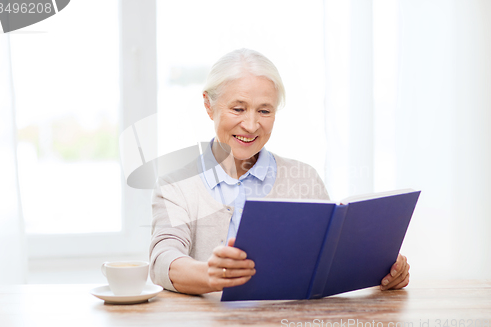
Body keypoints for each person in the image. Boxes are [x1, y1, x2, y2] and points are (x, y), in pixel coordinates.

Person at [149, 48, 410, 295]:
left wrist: (384, 269)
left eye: (264, 111)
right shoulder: (175, 186)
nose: (251, 125)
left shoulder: (304, 179)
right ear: (209, 106)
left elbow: (328, 259)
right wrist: (208, 274)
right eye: (238, 108)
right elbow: (163, 259)